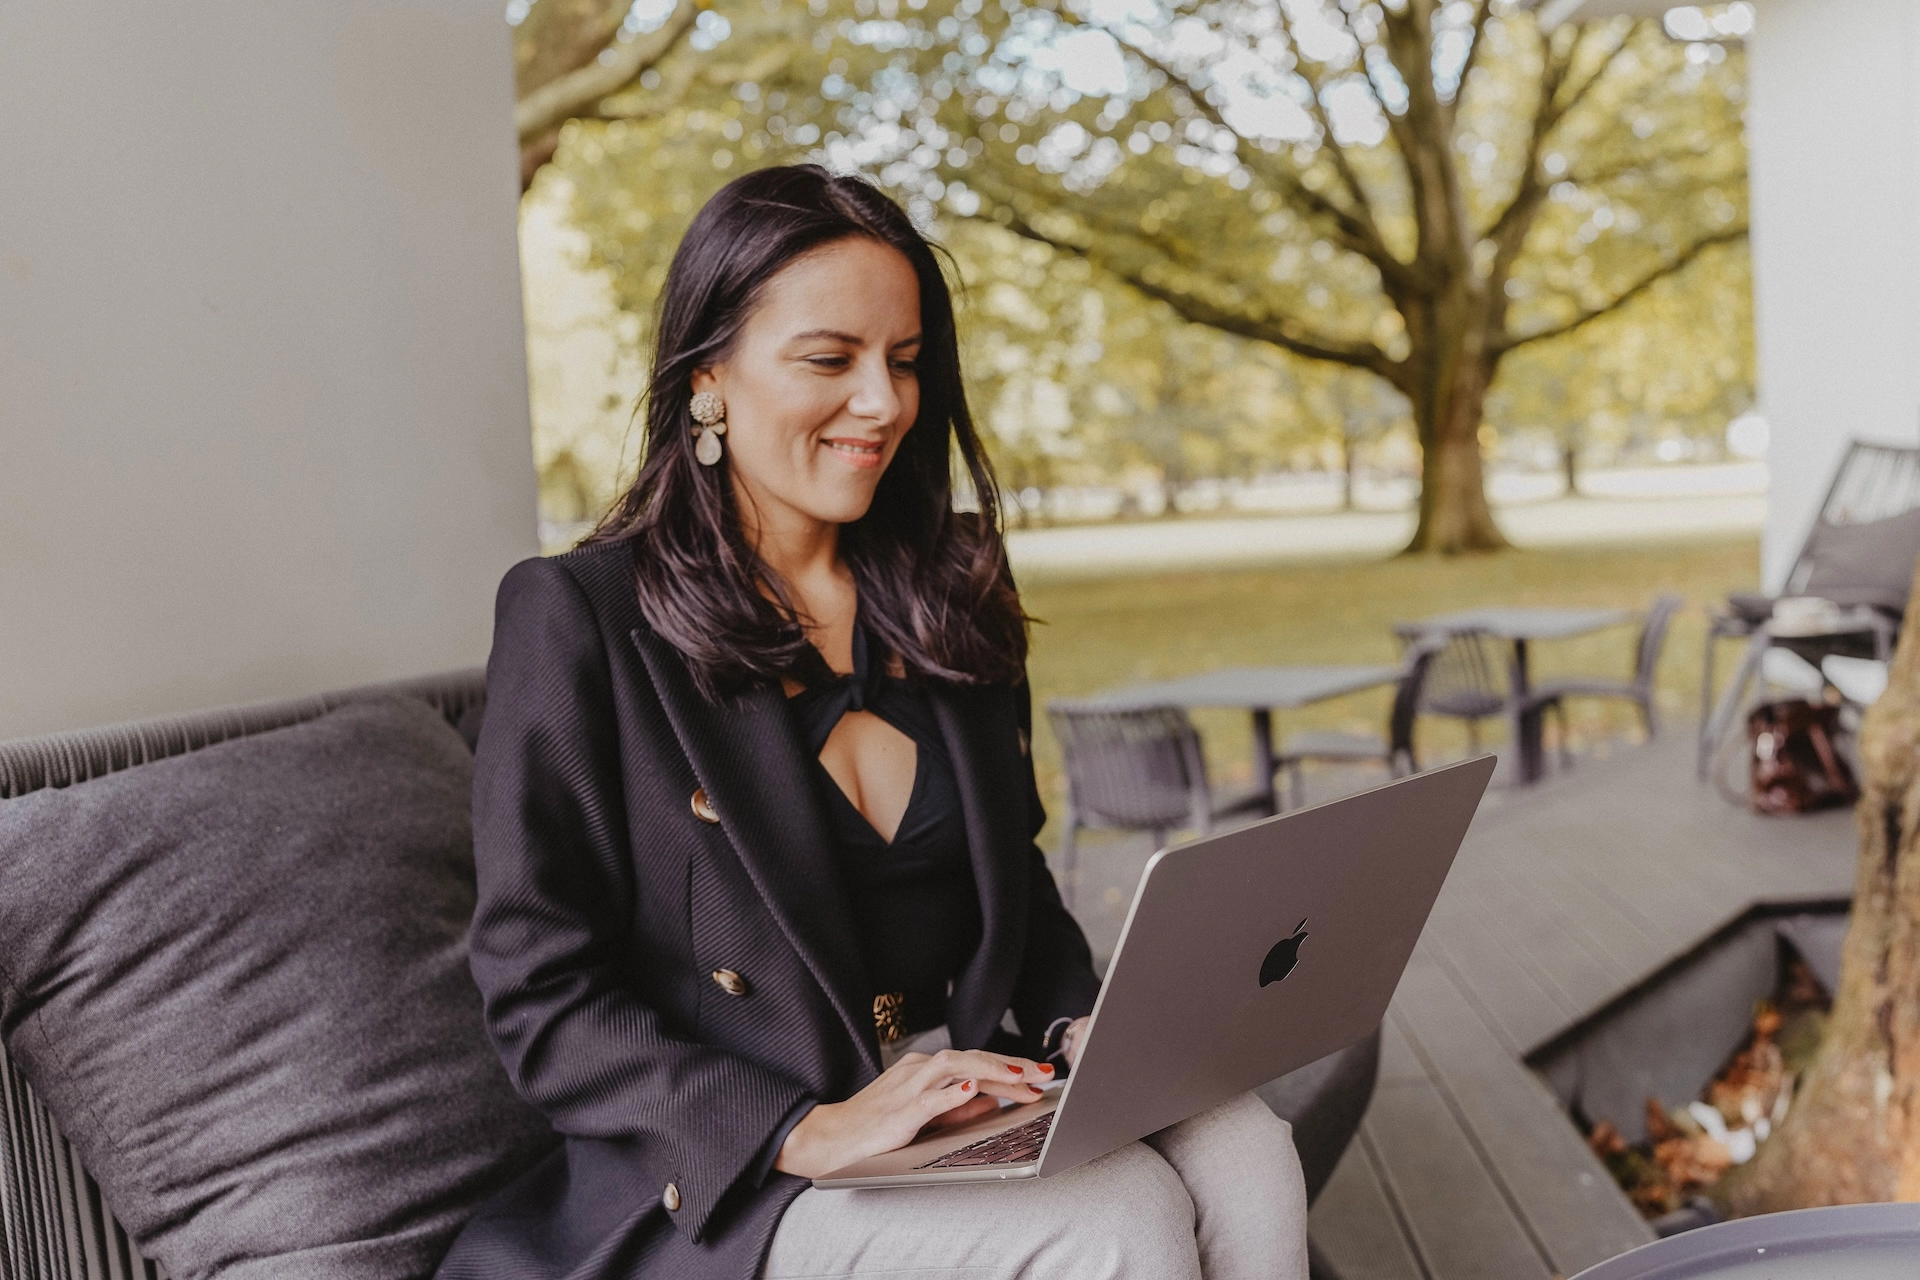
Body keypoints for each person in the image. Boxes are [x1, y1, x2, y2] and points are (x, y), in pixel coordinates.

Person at [436, 165, 1308, 1280]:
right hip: (737, 1167)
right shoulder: (583, 619)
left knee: (1246, 1145)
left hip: (970, 1085)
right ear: (709, 372)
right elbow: (540, 995)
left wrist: (1082, 1024)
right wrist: (802, 1127)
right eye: (828, 359)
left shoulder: (955, 592)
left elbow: (1015, 888)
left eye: (903, 361)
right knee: (1121, 1216)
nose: (884, 403)